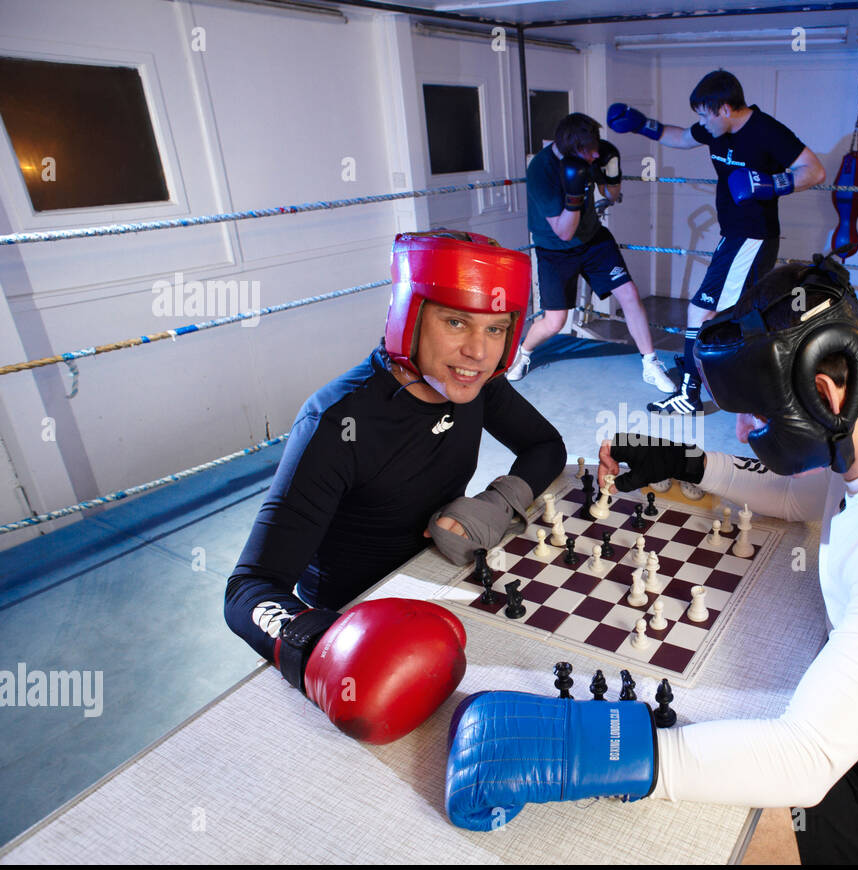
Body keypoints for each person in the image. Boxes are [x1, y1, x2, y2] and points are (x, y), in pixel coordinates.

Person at [443, 255, 858, 865]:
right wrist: (685, 463)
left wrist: (596, 748)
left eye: (756, 415)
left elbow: (805, 759)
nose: (742, 433)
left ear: (826, 390)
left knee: (658, 836)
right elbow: (799, 495)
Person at [225, 229, 566, 681]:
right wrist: (323, 650)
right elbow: (248, 589)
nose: (478, 353)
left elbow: (546, 445)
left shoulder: (479, 385)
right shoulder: (335, 422)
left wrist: (496, 504)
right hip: (359, 613)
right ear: (410, 315)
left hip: (444, 578)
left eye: (496, 329)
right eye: (456, 323)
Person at [607, 69, 826, 415]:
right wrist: (641, 124)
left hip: (752, 236)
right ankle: (737, 380)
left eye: (704, 114)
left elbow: (814, 170)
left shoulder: (766, 131)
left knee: (702, 309)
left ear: (724, 109)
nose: (701, 122)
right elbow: (679, 137)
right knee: (734, 313)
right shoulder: (716, 130)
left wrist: (769, 184)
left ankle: (690, 393)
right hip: (735, 236)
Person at [509, 112, 676, 394]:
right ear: (573, 148)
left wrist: (612, 170)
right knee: (555, 321)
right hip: (555, 249)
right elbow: (564, 231)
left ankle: (650, 363)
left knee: (629, 295)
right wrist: (574, 196)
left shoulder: (594, 152)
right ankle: (523, 353)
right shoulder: (541, 170)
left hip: (593, 239)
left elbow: (611, 196)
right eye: (590, 150)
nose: (596, 152)